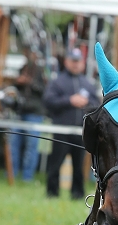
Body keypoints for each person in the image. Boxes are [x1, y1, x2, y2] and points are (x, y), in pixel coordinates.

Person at [42, 48, 100, 200]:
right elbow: (48, 101)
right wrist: (69, 100)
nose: (75, 65)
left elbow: (97, 104)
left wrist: (86, 102)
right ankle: (52, 192)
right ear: (67, 62)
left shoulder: (87, 83)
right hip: (61, 131)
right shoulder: (57, 82)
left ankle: (77, 193)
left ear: (82, 63)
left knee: (79, 166)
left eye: (78, 62)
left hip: (80, 132)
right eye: (73, 61)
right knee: (55, 164)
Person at [9, 48, 47, 182]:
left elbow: (45, 91)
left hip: (34, 112)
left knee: (31, 145)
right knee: (13, 143)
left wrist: (29, 82)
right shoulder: (23, 68)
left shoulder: (42, 71)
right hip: (20, 110)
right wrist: (17, 83)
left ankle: (27, 176)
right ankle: (11, 173)